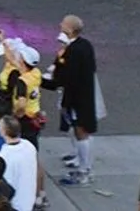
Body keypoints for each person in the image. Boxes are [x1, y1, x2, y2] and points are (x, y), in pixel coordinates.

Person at [47, 14, 99, 186]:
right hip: (84, 95)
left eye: (63, 23)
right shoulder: (85, 45)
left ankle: (84, 171)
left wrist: (47, 81)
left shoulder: (73, 51)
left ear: (69, 29)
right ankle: (82, 163)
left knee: (81, 132)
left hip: (77, 98)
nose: (60, 24)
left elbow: (66, 78)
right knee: (80, 131)